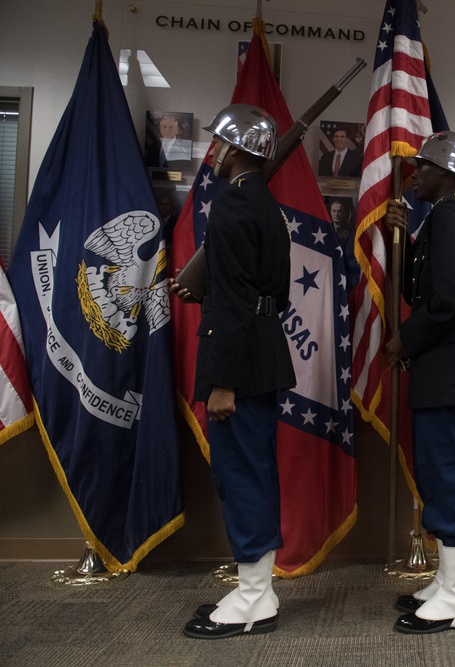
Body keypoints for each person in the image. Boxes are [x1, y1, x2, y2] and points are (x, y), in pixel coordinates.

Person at [168, 103, 296, 639]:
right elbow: (268, 295)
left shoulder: (231, 206)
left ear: (240, 149)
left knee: (241, 475)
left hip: (239, 366)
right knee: (253, 471)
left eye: (219, 144)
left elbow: (237, 300)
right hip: (261, 356)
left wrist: (223, 381)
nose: (211, 152)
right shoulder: (263, 204)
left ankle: (253, 596)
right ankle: (257, 588)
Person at [382, 131, 455, 635]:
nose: (414, 174)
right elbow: (415, 287)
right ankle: (448, 580)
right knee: (435, 471)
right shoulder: (439, 217)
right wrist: (396, 239)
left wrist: (406, 338)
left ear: (445, 174)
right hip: (439, 366)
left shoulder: (453, 218)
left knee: (446, 475)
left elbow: (449, 301)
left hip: (446, 366)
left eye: (422, 167)